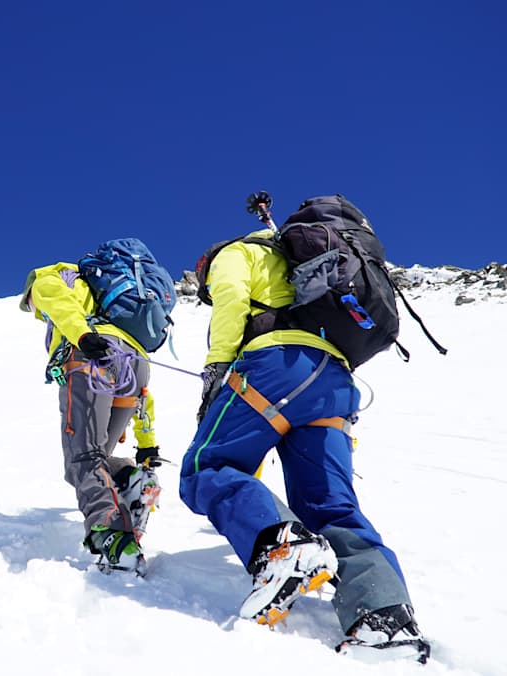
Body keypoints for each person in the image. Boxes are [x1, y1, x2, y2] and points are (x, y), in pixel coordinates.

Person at [181, 226, 430, 660]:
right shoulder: (306, 265)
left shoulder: (236, 254)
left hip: (274, 367)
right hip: (334, 380)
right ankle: (383, 614)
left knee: (208, 467)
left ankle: (283, 546)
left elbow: (232, 302)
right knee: (329, 503)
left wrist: (215, 371)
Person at [19, 263, 162, 577]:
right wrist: (148, 445)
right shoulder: (96, 292)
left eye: (30, 305)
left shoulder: (46, 280)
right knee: (88, 461)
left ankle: (112, 538)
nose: (35, 310)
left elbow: (59, 304)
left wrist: (82, 336)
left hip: (91, 359)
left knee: (84, 457)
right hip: (134, 364)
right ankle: (128, 477)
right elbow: (143, 397)